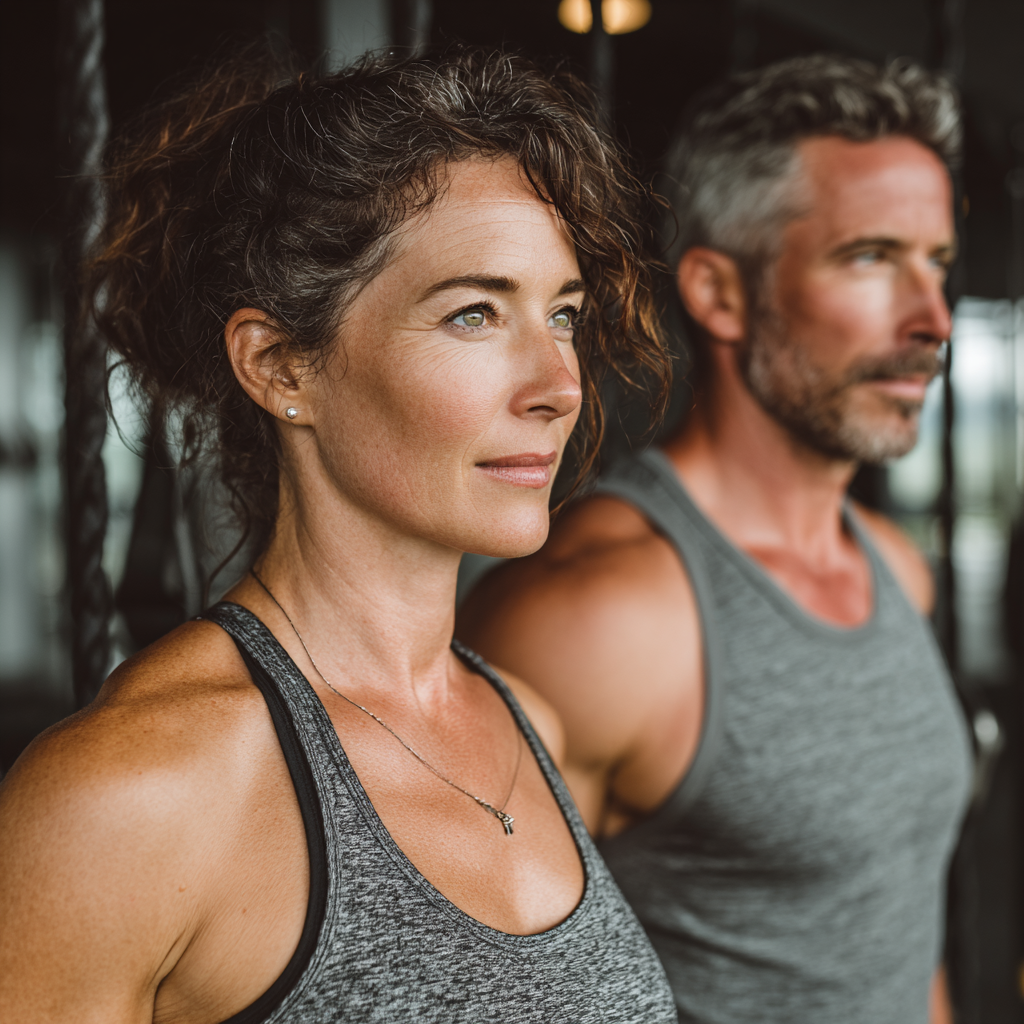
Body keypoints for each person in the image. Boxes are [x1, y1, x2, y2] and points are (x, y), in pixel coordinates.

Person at [0, 48, 679, 1024]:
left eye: (561, 314)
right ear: (280, 367)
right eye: (474, 314)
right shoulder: (132, 793)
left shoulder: (527, 721)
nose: (559, 385)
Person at [459, 55, 972, 1024]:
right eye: (869, 256)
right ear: (720, 294)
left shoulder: (896, 572)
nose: (931, 320)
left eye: (935, 262)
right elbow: (484, 991)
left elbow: (894, 937)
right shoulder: (602, 614)